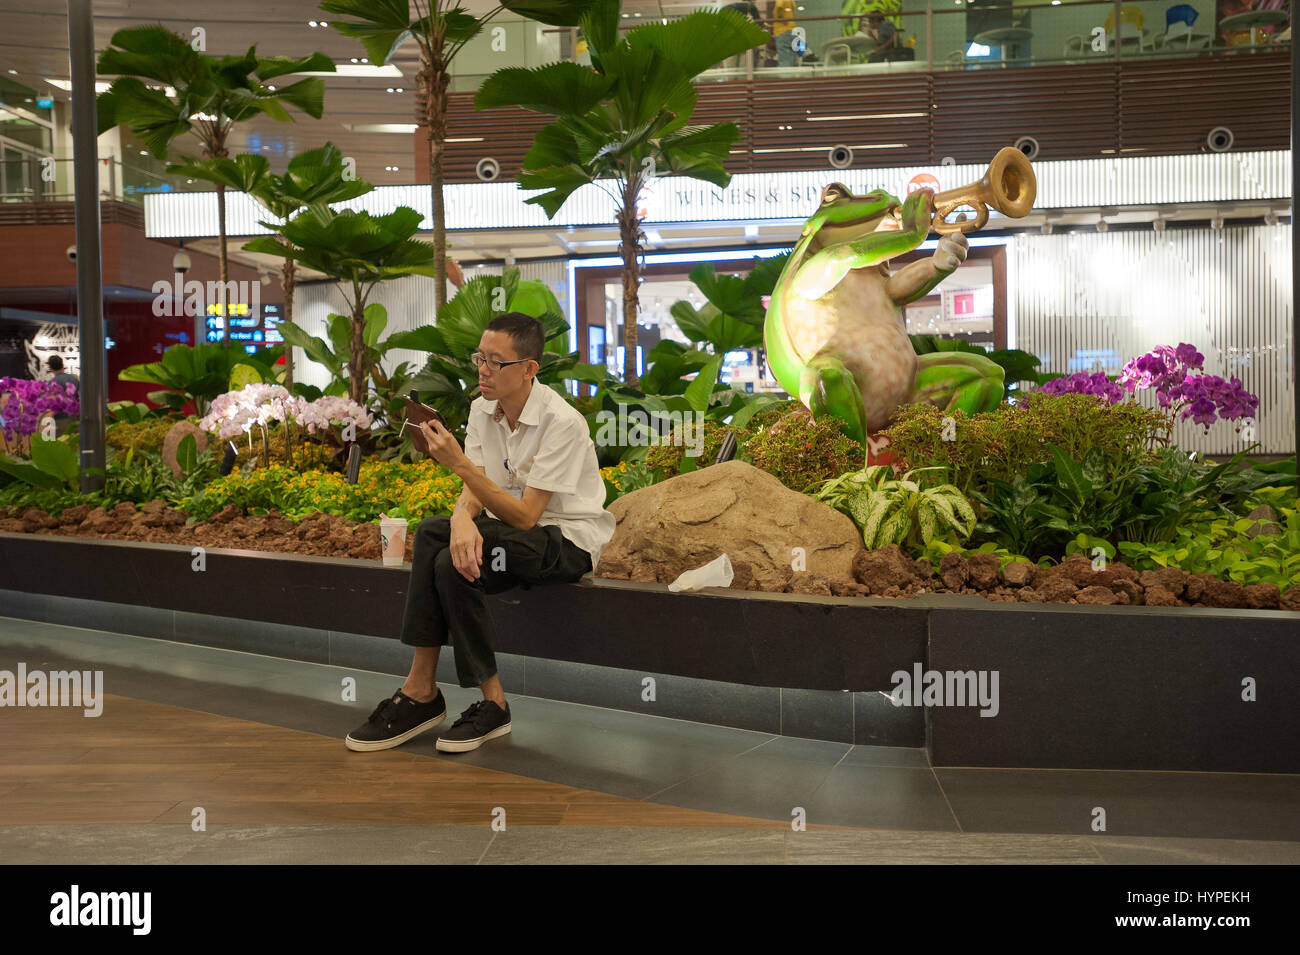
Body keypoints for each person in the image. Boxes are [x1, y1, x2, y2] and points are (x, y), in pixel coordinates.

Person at [346, 312, 616, 754]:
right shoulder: (481, 409)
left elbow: (528, 516)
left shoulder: (561, 422)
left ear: (529, 368)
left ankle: (433, 698)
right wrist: (460, 518)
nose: (483, 371)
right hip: (509, 537)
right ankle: (448, 695)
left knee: (448, 550)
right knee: (442, 544)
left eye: (496, 362)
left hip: (564, 543)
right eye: (479, 359)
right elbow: (476, 490)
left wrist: (458, 467)